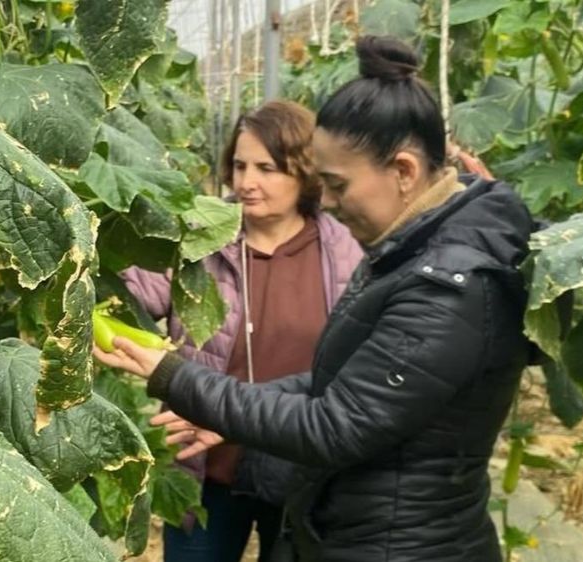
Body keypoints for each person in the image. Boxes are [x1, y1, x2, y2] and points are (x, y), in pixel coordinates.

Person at [97, 35, 537, 562]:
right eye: (240, 167)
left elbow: (336, 423)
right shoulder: (409, 252)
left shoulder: (445, 284)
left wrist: (175, 377)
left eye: (335, 183)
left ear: (403, 171)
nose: (325, 200)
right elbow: (345, 382)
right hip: (346, 524)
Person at [121, 100, 362, 562]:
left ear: (304, 171)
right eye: (239, 165)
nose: (247, 183)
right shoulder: (199, 236)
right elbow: (128, 296)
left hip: (302, 465)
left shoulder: (345, 247)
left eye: (267, 168)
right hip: (207, 465)